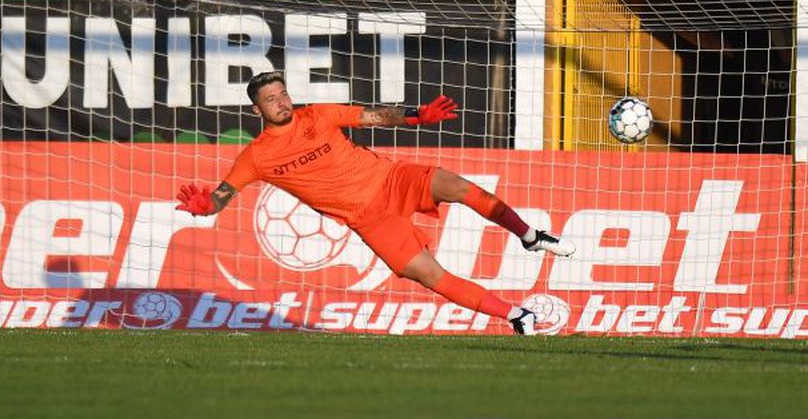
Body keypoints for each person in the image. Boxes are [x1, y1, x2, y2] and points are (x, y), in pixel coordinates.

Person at [175, 71, 575, 336]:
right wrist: (204, 205)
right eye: (271, 99)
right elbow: (220, 199)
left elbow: (373, 117)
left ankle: (528, 235)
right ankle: (515, 316)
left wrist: (418, 115)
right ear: (256, 109)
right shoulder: (256, 157)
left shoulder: (317, 115)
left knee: (460, 187)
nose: (281, 102)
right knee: (430, 276)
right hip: (368, 218)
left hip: (390, 178)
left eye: (283, 94)